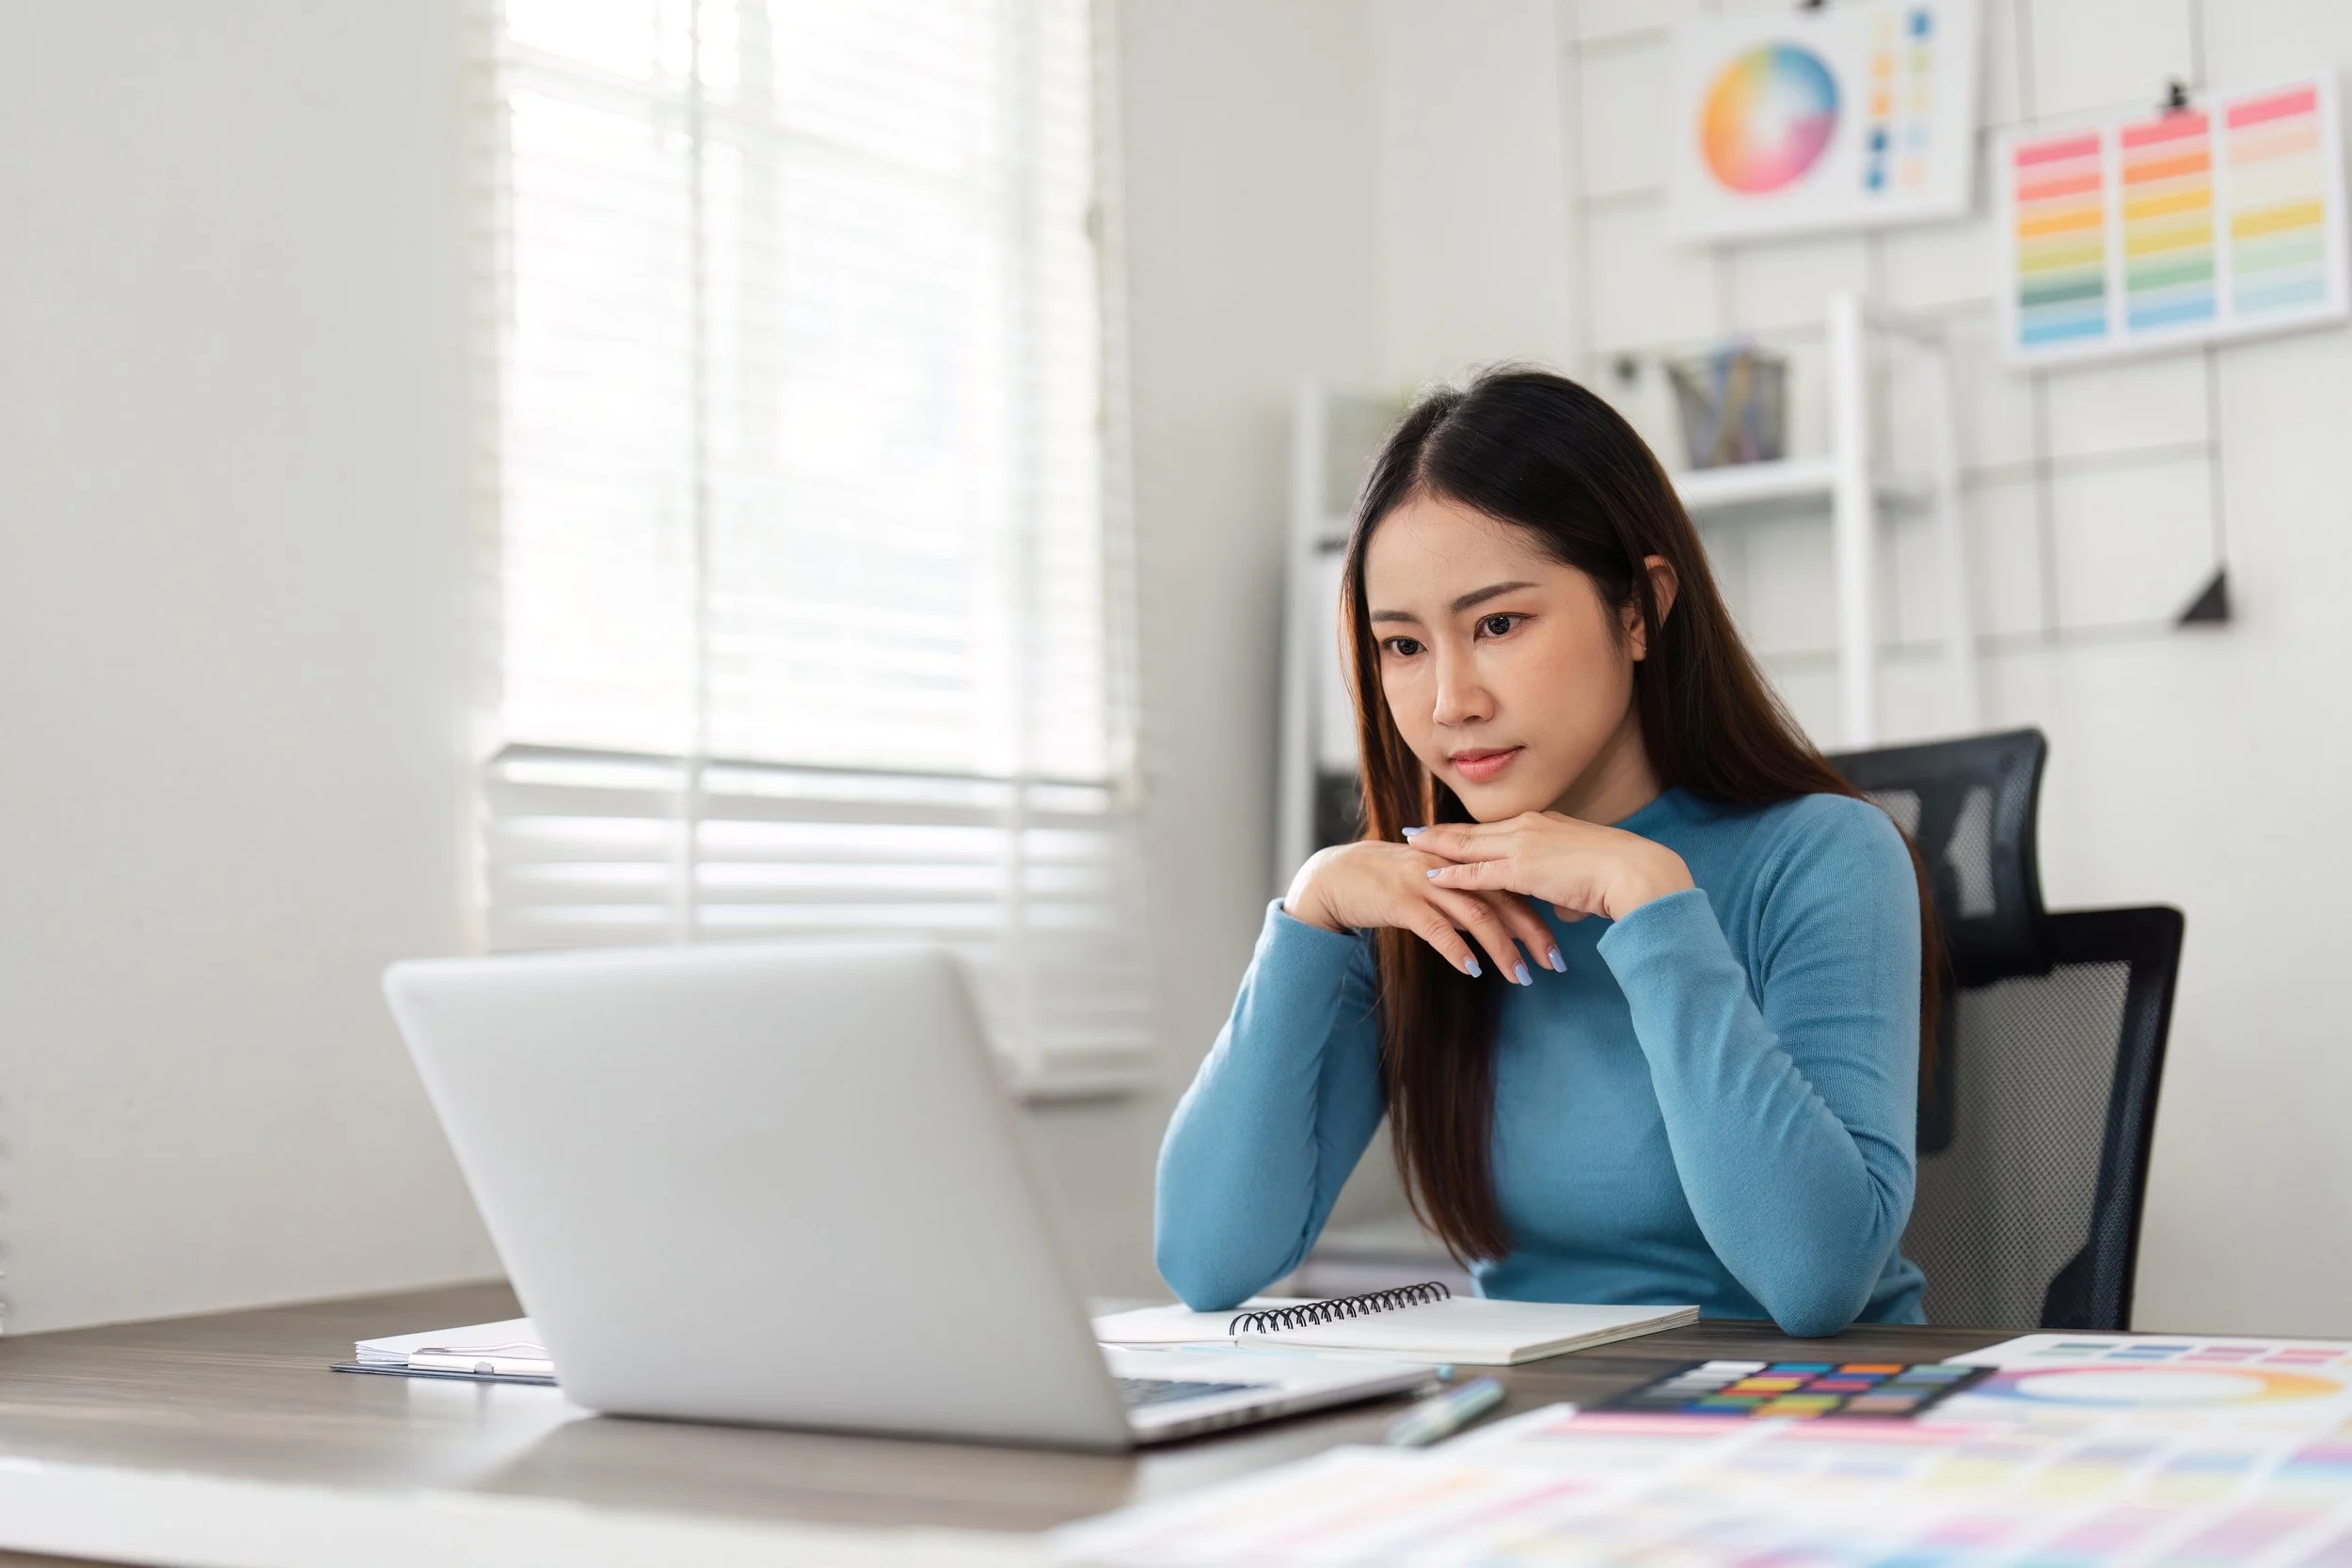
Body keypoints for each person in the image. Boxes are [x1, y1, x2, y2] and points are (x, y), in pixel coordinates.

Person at [1155, 369, 1937, 1337]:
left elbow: (1814, 1279)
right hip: (1542, 1428)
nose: (1449, 701)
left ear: (1639, 608)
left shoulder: (1823, 853)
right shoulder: (1423, 901)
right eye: (1402, 646)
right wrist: (1308, 920)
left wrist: (1652, 905)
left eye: (1497, 624)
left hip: (1804, 1423)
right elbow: (1205, 1261)